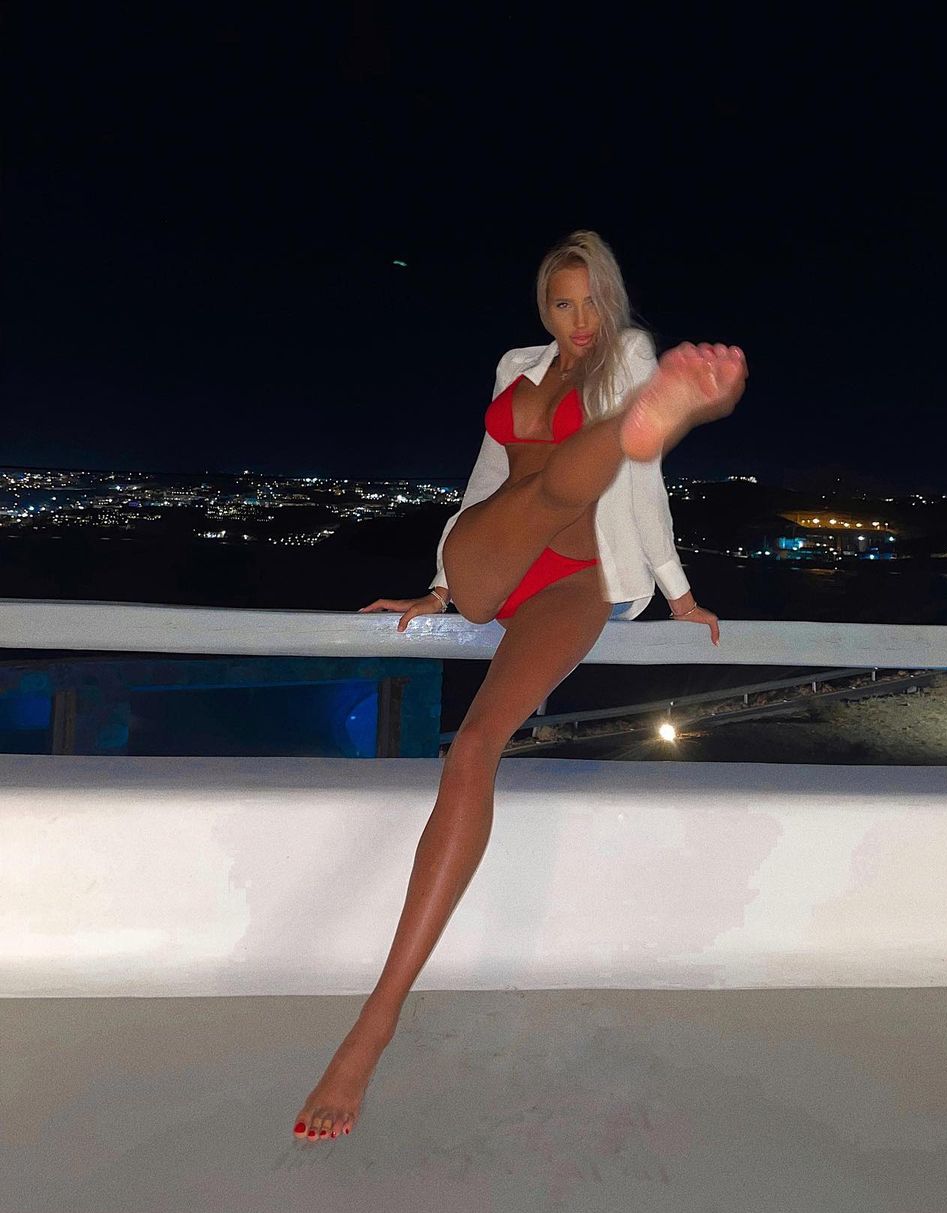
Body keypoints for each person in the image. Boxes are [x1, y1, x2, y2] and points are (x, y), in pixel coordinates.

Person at [291, 230, 748, 1142]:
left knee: (473, 746)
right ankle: (624, 432)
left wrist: (679, 593)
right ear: (544, 308)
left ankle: (373, 1024)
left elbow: (645, 492)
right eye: (560, 304)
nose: (577, 320)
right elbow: (485, 475)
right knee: (530, 494)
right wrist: (436, 587)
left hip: (575, 577)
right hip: (492, 561)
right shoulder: (517, 366)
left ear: (610, 299)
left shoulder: (630, 356)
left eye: (589, 301)